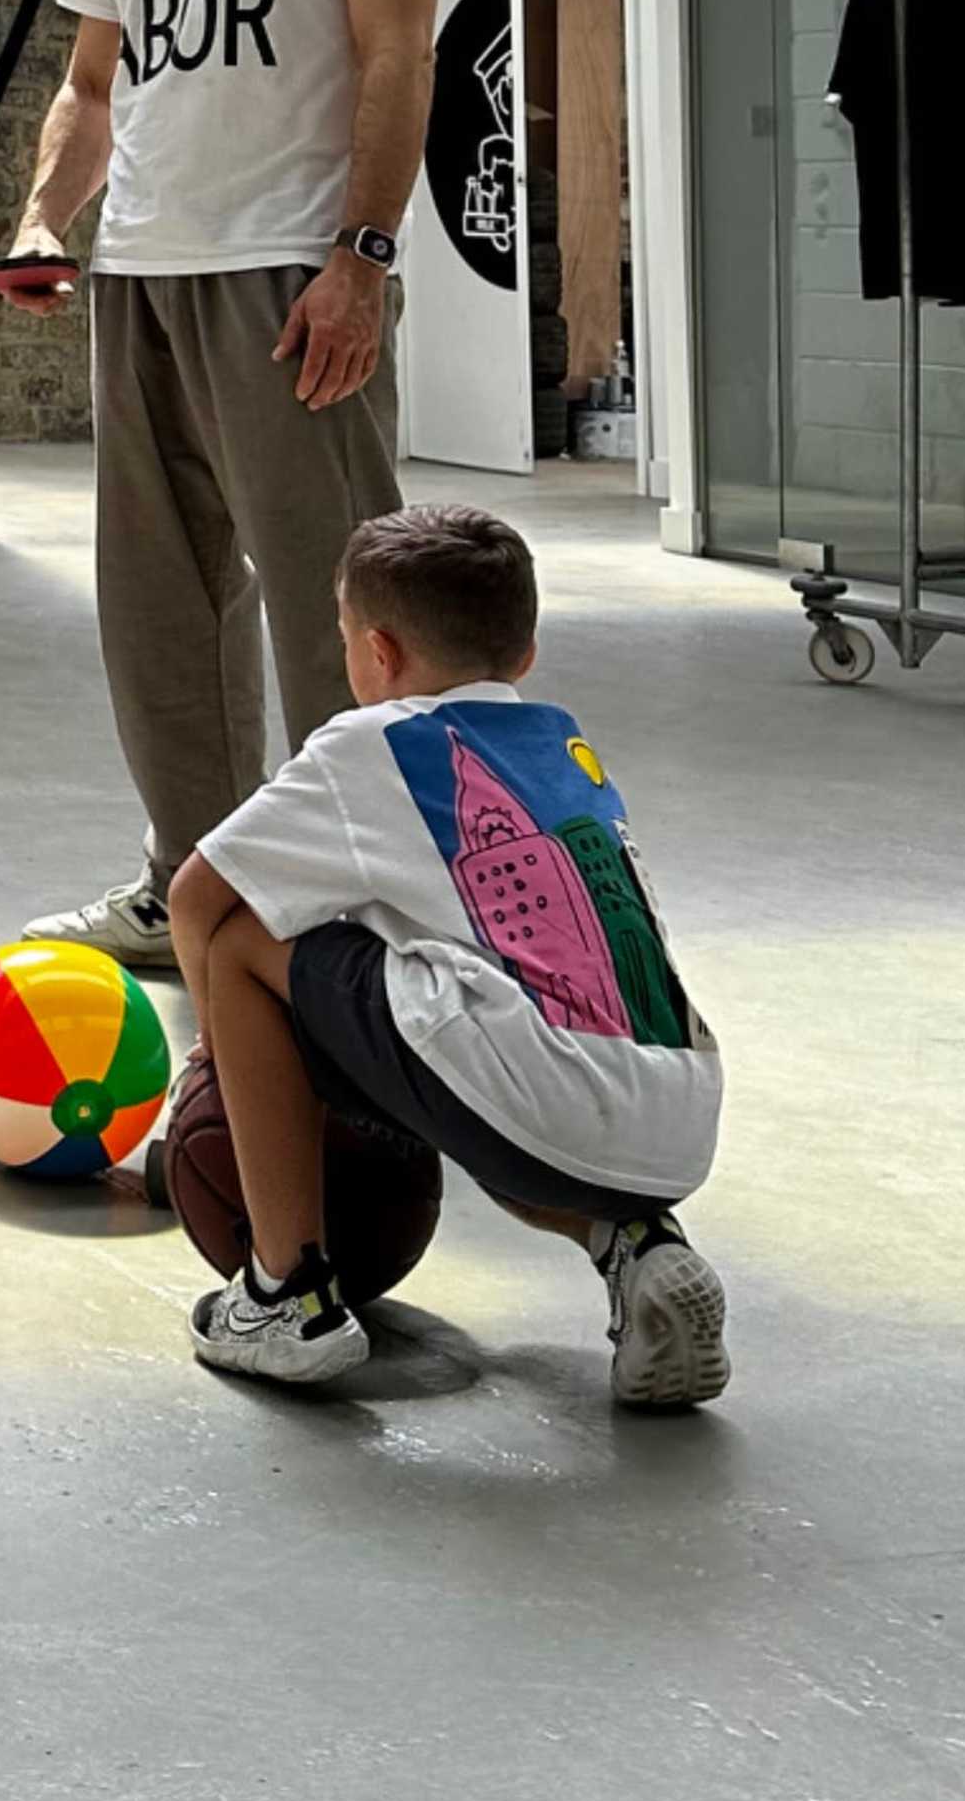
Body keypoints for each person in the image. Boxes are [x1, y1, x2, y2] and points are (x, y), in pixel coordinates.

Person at [3, 0, 453, 975]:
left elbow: (398, 52)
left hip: (288, 266)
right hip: (142, 269)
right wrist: (40, 224)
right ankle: (192, 877)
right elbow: (92, 82)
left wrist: (363, 256)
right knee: (162, 606)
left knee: (339, 603)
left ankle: (366, 897)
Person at [168, 499, 727, 1409]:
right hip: (678, 1114)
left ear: (377, 653)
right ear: (525, 654)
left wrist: (226, 1057)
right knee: (469, 1027)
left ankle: (286, 1300)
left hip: (533, 1091)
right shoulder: (564, 745)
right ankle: (637, 1248)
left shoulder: (373, 741)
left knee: (243, 945)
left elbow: (197, 899)